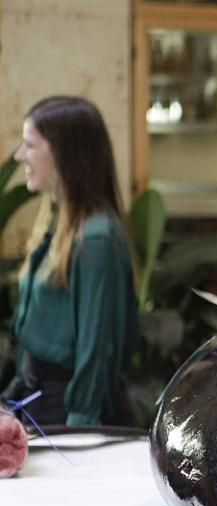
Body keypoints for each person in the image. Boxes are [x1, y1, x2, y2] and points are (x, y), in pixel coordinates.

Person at [2, 96, 139, 426]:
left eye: (30, 145)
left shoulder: (97, 238)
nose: (21, 155)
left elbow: (97, 353)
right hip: (34, 403)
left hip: (66, 416)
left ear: (64, 153)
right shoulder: (60, 220)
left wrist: (79, 436)